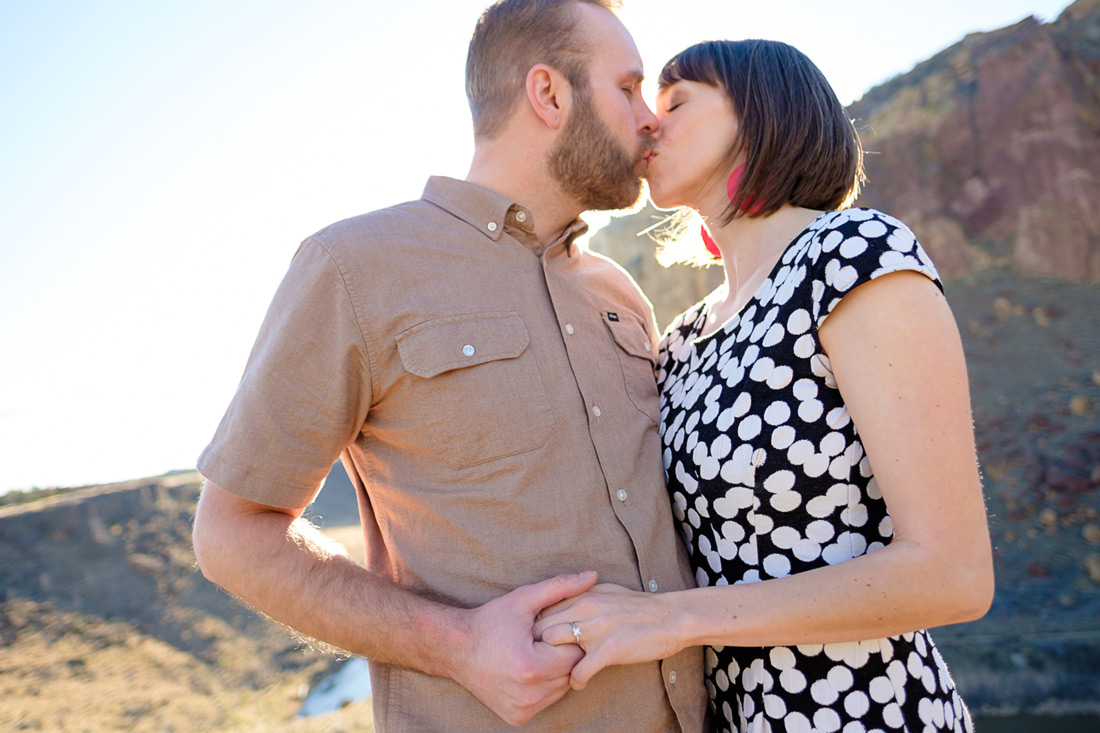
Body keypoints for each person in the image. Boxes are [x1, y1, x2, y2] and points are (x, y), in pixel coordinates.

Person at [190, 1, 709, 730]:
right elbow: (231, 533)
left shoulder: (617, 293)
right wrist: (458, 644)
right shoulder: (354, 267)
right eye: (627, 88)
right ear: (549, 94)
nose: (648, 117)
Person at [534, 40, 995, 732]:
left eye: (677, 102)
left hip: (870, 713)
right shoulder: (683, 341)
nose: (649, 125)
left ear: (758, 112)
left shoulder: (852, 256)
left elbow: (953, 573)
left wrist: (671, 620)